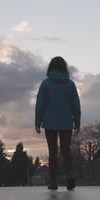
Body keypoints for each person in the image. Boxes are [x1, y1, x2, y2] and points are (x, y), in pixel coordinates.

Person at [35, 56, 81, 190]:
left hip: (49, 122)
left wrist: (38, 122)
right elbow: (75, 105)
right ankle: (70, 176)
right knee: (66, 151)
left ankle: (53, 182)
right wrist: (77, 122)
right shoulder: (70, 84)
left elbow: (40, 105)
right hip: (66, 122)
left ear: (51, 68)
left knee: (52, 152)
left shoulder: (45, 84)